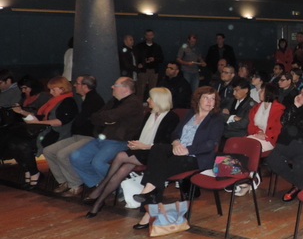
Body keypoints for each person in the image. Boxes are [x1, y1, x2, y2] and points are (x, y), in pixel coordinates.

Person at [83, 87, 179, 217]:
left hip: (156, 153)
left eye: (150, 98)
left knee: (121, 156)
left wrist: (144, 145)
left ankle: (100, 190)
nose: (147, 100)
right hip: (142, 150)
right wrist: (134, 143)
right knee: (121, 169)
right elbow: (139, 134)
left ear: (158, 100)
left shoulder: (172, 117)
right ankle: (98, 202)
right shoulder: (149, 115)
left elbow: (165, 142)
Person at [133, 86, 225, 208]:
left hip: (196, 156)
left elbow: (211, 143)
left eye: (212, 99)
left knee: (161, 165)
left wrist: (187, 150)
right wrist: (176, 143)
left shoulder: (216, 119)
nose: (209, 101)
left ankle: (148, 193)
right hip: (178, 149)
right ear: (198, 99)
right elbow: (175, 133)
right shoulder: (190, 114)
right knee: (157, 148)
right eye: (206, 98)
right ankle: (151, 196)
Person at [3, 76, 78, 190]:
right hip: (46, 130)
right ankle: (28, 170)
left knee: (23, 145)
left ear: (62, 89)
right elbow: (40, 117)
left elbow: (60, 122)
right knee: (13, 142)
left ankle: (34, 173)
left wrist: (41, 123)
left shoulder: (68, 101)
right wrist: (22, 112)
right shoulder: (54, 101)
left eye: (53, 89)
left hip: (57, 133)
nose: (51, 92)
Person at [70, 77, 143, 190]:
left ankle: (121, 187)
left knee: (98, 163)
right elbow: (94, 117)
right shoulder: (113, 101)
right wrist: (106, 119)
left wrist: (106, 118)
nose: (112, 87)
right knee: (76, 158)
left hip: (119, 141)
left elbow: (111, 116)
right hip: (102, 138)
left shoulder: (133, 103)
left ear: (125, 88)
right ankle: (100, 184)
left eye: (115, 85)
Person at [45, 75, 106, 197]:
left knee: (62, 154)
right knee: (48, 151)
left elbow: (88, 122)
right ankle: (64, 181)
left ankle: (76, 184)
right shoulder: (86, 99)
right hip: (78, 135)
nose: (74, 85)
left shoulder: (94, 100)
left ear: (85, 86)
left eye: (77, 83)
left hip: (89, 137)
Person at [245, 83, 285, 152]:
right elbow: (251, 125)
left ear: (269, 93)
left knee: (250, 148)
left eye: (262, 91)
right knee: (241, 144)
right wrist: (258, 132)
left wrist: (265, 137)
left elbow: (277, 129)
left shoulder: (278, 109)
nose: (260, 92)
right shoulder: (256, 108)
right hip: (255, 135)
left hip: (268, 139)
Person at [134, 29, 164, 100]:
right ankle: (138, 106)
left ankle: (151, 105)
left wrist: (154, 59)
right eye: (147, 35)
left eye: (150, 35)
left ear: (153, 36)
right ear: (145, 36)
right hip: (143, 70)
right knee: (140, 89)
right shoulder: (139, 46)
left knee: (153, 90)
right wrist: (140, 63)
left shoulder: (157, 47)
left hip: (154, 70)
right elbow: (136, 57)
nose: (149, 37)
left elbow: (161, 58)